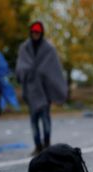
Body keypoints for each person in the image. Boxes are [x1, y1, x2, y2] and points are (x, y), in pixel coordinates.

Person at [16, 21, 67, 156]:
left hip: (45, 92)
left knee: (45, 120)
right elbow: (21, 66)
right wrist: (27, 71)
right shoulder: (24, 48)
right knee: (33, 121)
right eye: (33, 32)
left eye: (37, 32)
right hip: (31, 90)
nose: (35, 34)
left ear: (41, 33)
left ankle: (47, 145)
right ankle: (38, 146)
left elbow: (54, 70)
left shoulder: (49, 49)